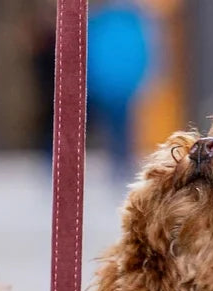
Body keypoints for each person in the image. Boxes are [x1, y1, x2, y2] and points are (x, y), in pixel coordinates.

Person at [86, 0, 154, 181]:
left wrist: (93, 79)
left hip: (107, 81)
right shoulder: (137, 21)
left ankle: (117, 162)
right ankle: (122, 162)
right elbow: (147, 52)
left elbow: (92, 53)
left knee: (113, 124)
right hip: (128, 82)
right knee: (125, 124)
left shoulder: (99, 20)